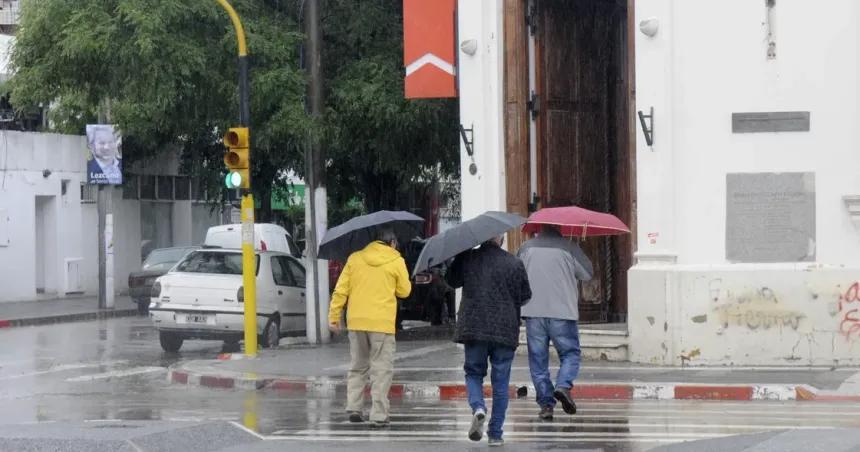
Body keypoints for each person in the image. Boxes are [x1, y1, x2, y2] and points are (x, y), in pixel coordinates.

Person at [447, 236, 532, 446]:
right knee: (501, 382)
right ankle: (495, 434)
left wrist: (461, 252)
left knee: (474, 373)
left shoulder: (468, 258)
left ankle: (478, 407)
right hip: (504, 330)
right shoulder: (514, 262)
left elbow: (451, 280)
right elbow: (525, 296)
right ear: (501, 239)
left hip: (474, 328)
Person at [328, 227, 412, 428]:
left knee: (357, 365)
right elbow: (405, 291)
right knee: (381, 369)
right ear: (392, 242)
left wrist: (334, 316)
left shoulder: (355, 258)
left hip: (356, 322)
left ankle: (354, 407)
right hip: (381, 323)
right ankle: (379, 414)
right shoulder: (396, 260)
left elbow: (341, 290)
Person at [518, 225, 594, 420]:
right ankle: (563, 386)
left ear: (540, 228)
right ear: (560, 228)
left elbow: (515, 275)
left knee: (538, 361)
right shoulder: (569, 247)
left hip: (533, 312)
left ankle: (546, 405)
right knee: (570, 353)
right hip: (562, 312)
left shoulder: (526, 248)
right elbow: (587, 273)